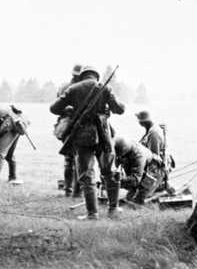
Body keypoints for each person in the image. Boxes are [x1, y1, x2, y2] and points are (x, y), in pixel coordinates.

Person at [50, 65, 125, 220]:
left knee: (86, 174)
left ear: (82, 76)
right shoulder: (105, 88)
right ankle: (113, 209)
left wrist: (69, 110)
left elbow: (54, 108)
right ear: (96, 75)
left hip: (82, 135)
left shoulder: (73, 88)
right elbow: (119, 109)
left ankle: (92, 214)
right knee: (110, 171)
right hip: (104, 134)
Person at [55, 64, 82, 197]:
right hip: (73, 126)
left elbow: (56, 107)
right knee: (77, 159)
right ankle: (75, 191)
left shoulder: (64, 87)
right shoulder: (80, 88)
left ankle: (69, 190)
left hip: (65, 126)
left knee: (69, 159)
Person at [114, 137, 164, 205]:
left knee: (138, 201)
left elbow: (135, 180)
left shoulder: (139, 155)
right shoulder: (122, 150)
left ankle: (159, 187)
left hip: (154, 171)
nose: (118, 157)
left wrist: (119, 180)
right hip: (141, 171)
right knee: (129, 197)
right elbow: (115, 165)